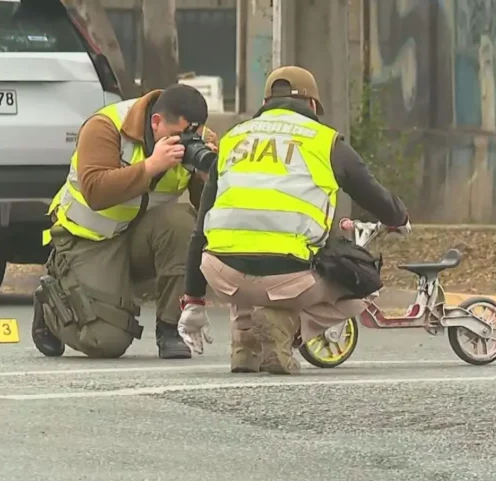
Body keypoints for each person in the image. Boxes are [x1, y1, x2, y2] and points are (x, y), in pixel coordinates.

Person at [176, 66, 411, 375]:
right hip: (288, 277)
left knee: (242, 246)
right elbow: (374, 197)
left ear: (265, 102)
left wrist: (193, 299)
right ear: (312, 105)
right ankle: (286, 326)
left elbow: (200, 229)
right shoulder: (325, 142)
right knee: (363, 285)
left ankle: (245, 345)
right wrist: (399, 217)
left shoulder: (234, 138)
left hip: (221, 274)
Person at [31, 84, 218, 360]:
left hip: (137, 237)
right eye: (177, 135)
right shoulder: (105, 127)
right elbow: (94, 191)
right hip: (90, 238)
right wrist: (151, 166)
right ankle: (51, 307)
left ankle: (170, 328)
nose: (184, 142)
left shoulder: (201, 139)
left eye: (191, 134)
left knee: (181, 222)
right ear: (156, 122)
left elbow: (209, 213)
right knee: (106, 342)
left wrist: (207, 180)